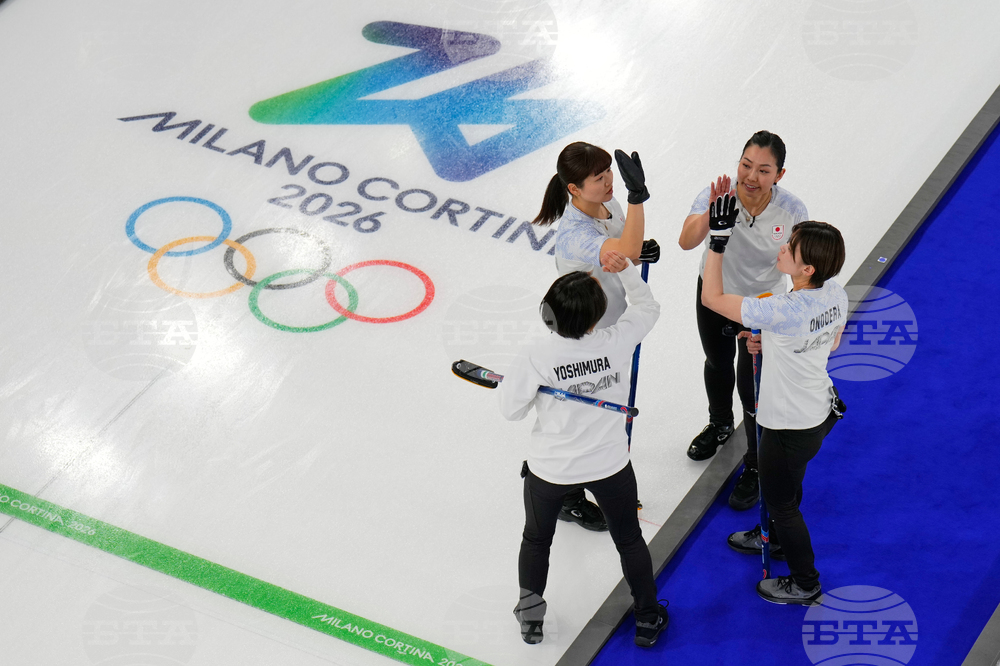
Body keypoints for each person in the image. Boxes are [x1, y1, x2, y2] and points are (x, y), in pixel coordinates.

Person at [499, 251, 669, 646]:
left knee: (536, 541)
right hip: (610, 464)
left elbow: (512, 411)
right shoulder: (619, 337)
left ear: (548, 315)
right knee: (629, 540)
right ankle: (647, 617)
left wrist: (529, 389)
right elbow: (648, 305)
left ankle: (531, 619)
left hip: (551, 470)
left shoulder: (536, 355)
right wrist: (626, 269)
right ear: (597, 317)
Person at [699, 188, 847, 604]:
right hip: (819, 412)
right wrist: (776, 343)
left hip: (787, 423)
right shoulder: (835, 293)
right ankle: (775, 539)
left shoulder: (781, 309)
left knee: (783, 502)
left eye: (791, 247)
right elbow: (829, 343)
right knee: (789, 485)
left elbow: (711, 298)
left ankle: (804, 581)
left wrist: (717, 241)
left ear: (807, 268)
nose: (783, 247)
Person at [677, 130, 810, 512]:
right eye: (746, 165)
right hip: (714, 296)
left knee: (753, 383)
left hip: (763, 305)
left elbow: (803, 270)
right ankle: (719, 425)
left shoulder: (793, 210)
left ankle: (753, 463)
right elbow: (686, 241)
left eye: (763, 170)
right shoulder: (717, 192)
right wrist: (712, 215)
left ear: (779, 175)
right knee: (717, 363)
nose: (751, 176)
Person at [530, 141, 659, 530]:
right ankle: (570, 495)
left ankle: (607, 482)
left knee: (605, 413)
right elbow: (624, 246)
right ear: (573, 188)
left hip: (612, 328)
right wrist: (639, 200)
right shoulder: (573, 233)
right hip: (587, 339)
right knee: (589, 414)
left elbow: (625, 250)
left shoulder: (608, 208)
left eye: (608, 174)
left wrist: (638, 253)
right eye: (598, 178)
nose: (608, 183)